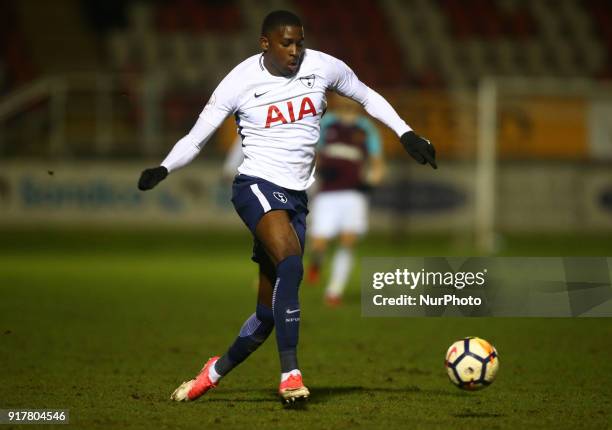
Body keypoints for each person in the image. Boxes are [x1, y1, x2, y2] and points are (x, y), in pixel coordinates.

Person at [137, 10, 437, 405]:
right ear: (265, 43)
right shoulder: (240, 81)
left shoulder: (323, 66)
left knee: (266, 317)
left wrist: (406, 133)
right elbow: (196, 138)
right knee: (293, 264)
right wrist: (164, 167)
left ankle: (210, 374)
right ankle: (291, 375)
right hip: (256, 186)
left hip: (296, 196)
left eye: (299, 42)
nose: (295, 50)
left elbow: (366, 95)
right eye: (286, 43)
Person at [306, 95, 385, 307]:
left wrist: (373, 180)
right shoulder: (327, 123)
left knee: (348, 241)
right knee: (319, 243)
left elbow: (377, 161)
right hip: (327, 193)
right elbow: (315, 154)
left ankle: (334, 291)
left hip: (354, 194)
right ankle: (316, 263)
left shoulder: (366, 129)